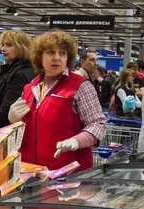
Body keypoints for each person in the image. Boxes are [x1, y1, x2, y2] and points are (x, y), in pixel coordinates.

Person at [8, 30, 106, 171]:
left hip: (68, 175)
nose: (56, 58)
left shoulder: (80, 86)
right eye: (50, 52)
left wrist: (76, 141)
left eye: (62, 53)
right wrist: (14, 121)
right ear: (39, 56)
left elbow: (98, 124)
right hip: (30, 173)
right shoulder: (29, 88)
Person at [0, 30, 34, 129]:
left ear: (21, 47)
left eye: (9, 45)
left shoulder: (19, 74)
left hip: (5, 131)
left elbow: (5, 112)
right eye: (2, 45)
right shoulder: (18, 70)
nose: (3, 49)